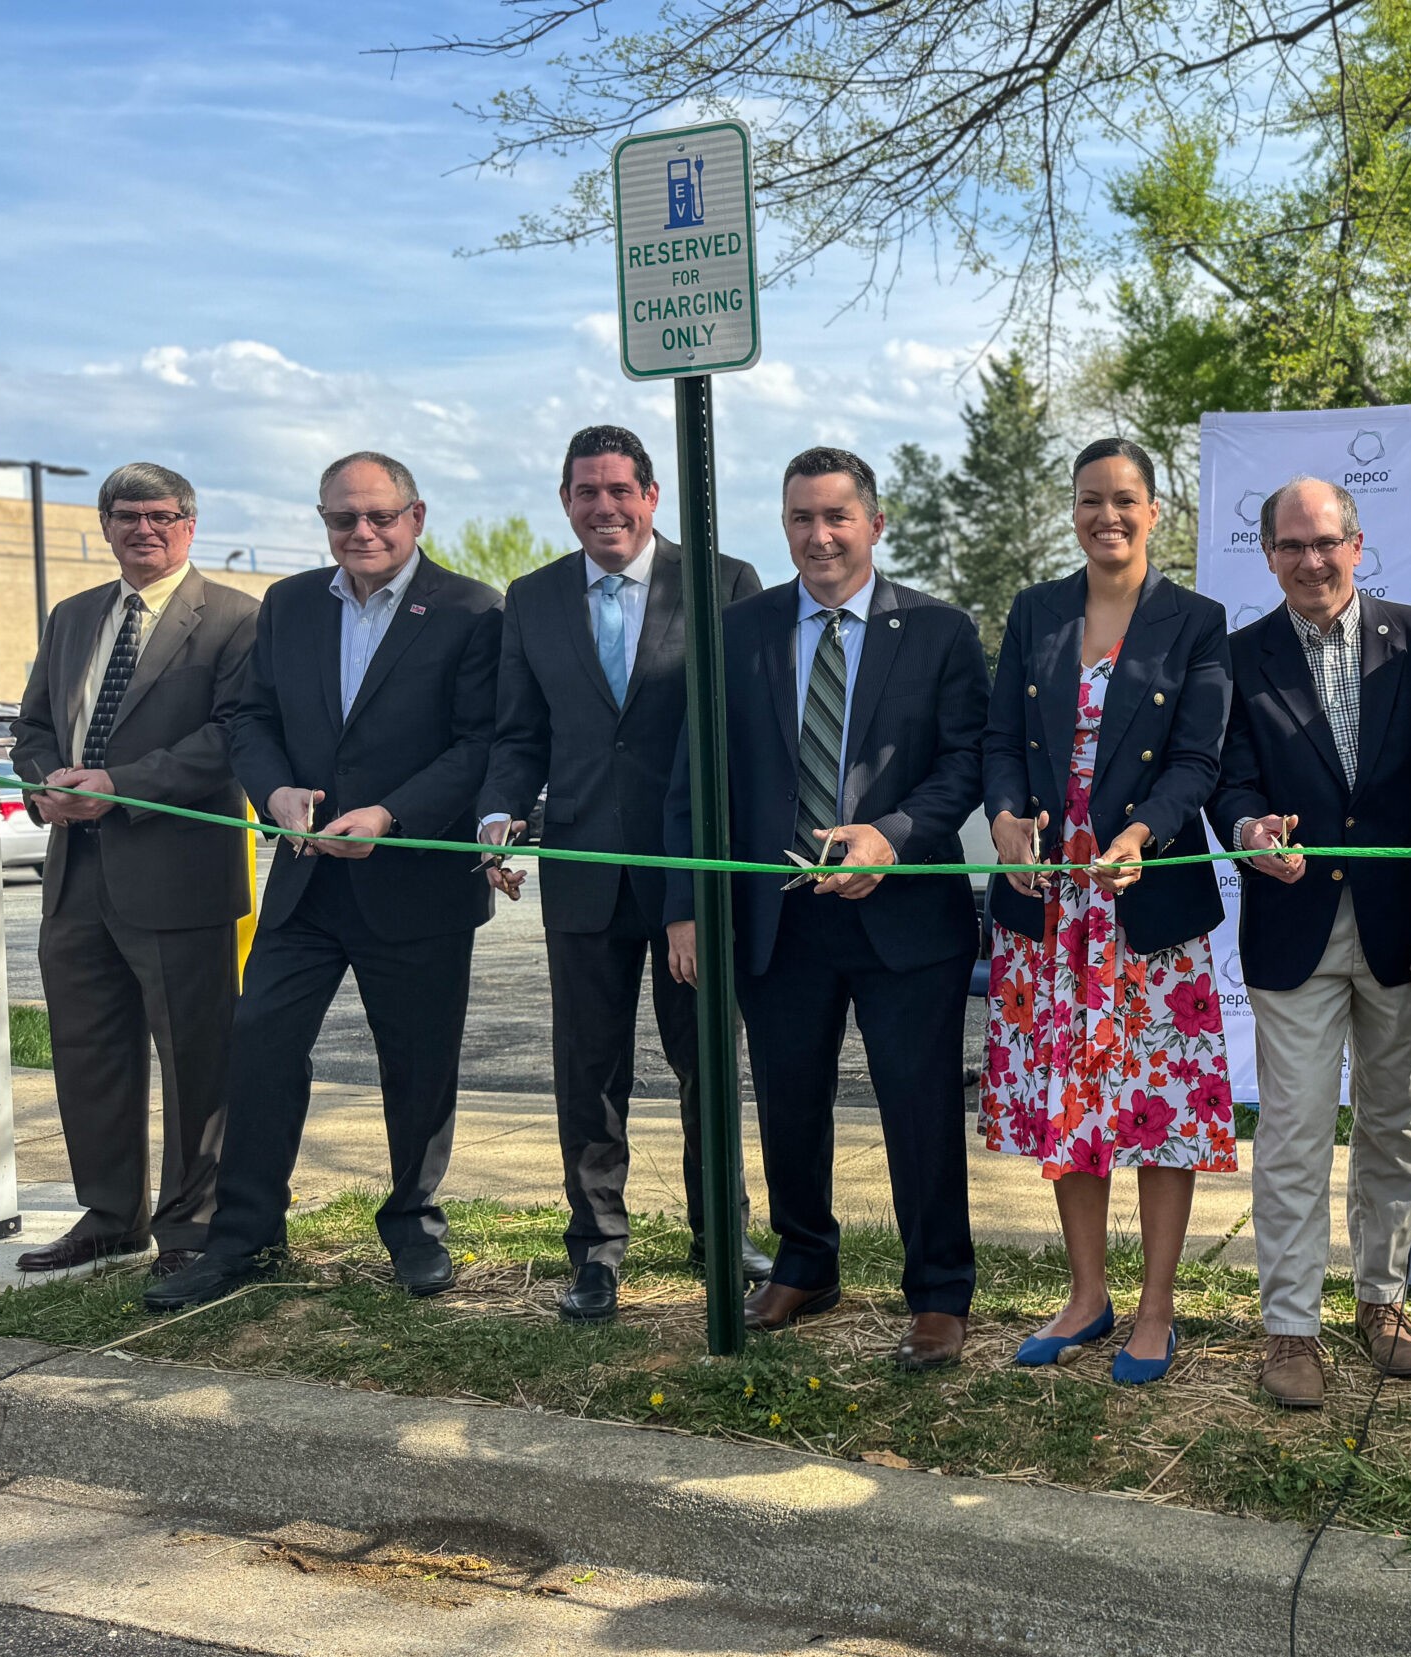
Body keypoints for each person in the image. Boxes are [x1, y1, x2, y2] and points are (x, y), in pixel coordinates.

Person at [146, 452, 504, 1312]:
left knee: (417, 1065)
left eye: (378, 515)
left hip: (415, 880)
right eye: (342, 518)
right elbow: (250, 716)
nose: (362, 533)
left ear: (416, 515)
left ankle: (414, 1222)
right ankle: (245, 1236)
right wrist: (272, 793)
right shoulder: (292, 603)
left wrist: (390, 814)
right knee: (261, 1042)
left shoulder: (471, 610)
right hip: (306, 882)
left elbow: (480, 744)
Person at [665, 447, 988, 1366]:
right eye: (801, 518)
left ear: (874, 524)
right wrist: (686, 904)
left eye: (837, 517)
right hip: (780, 917)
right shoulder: (738, 631)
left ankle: (937, 1292)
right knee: (789, 1102)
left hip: (905, 916)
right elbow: (695, 777)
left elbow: (964, 762)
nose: (819, 536)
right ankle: (805, 1261)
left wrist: (893, 833)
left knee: (919, 1108)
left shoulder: (938, 630)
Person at [477, 425, 768, 1323]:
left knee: (705, 1062)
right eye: (585, 492)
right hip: (581, 874)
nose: (603, 507)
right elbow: (520, 733)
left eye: (619, 490)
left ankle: (722, 1230)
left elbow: (737, 736)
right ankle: (597, 1249)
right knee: (589, 1071)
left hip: (690, 874)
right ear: (566, 502)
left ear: (651, 497)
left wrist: (699, 886)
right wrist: (497, 816)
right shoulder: (532, 598)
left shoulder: (724, 585)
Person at [982, 438, 1234, 1385]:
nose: (1107, 516)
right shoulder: (1036, 610)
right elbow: (999, 737)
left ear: (1154, 510)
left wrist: (1144, 836)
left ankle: (1158, 1307)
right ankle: (1087, 1297)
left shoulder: (1196, 620)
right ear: (1073, 510)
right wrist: (1007, 819)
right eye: (1091, 500)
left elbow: (1199, 762)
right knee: (1069, 1102)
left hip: (1145, 904)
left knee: (1161, 1109)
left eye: (1125, 500)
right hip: (1050, 913)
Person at [1209, 476, 1411, 1407]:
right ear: (1268, 555)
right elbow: (1225, 781)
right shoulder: (1235, 658)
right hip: (1292, 927)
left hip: (1407, 933)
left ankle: (1382, 1297)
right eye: (1291, 546)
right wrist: (1246, 830)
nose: (1311, 561)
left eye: (1327, 542)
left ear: (1359, 541)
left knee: (1397, 1124)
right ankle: (1290, 1327)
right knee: (1296, 1135)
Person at [8, 463, 260, 1277]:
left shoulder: (235, 620)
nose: (142, 529)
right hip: (75, 873)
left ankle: (190, 1227)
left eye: (160, 515)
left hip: (178, 876)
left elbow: (228, 739)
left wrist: (119, 787)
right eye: (126, 515)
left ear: (191, 522)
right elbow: (36, 725)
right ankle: (111, 1213)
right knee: (89, 1053)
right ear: (107, 523)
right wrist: (45, 784)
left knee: (195, 1061)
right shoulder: (72, 615)